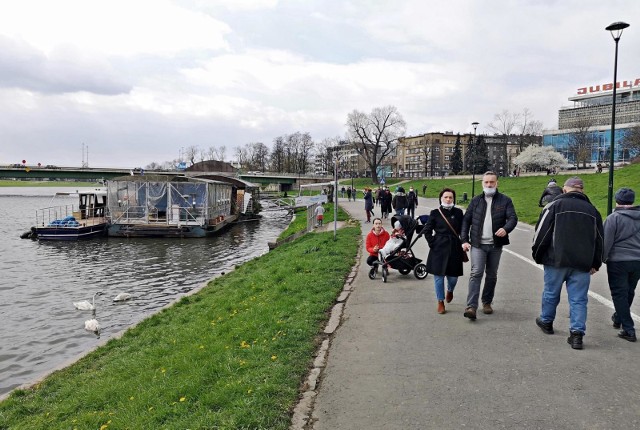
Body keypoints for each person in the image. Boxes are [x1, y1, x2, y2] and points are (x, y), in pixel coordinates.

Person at [532, 177, 604, 350]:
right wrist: (596, 263)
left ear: (565, 190)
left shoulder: (554, 206)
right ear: (582, 191)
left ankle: (547, 321)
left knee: (551, 292)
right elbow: (600, 240)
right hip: (582, 262)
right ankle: (577, 334)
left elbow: (542, 233)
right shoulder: (593, 211)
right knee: (579, 299)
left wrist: (537, 255)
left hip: (556, 259)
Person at [460, 171, 518, 320]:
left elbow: (512, 218)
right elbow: (466, 221)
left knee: (491, 275)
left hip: (495, 245)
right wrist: (464, 240)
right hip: (478, 244)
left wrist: (506, 229)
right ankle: (471, 306)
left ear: (497, 183)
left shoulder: (505, 201)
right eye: (486, 182)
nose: (489, 185)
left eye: (492, 182)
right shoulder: (475, 201)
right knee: (476, 273)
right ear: (482, 183)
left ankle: (487, 302)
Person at [603, 187, 640, 342]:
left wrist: (601, 259)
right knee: (629, 291)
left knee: (619, 293)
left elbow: (607, 241)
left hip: (618, 261)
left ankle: (628, 329)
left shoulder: (614, 218)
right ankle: (619, 317)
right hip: (638, 260)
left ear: (617, 200)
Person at [423, 188, 465, 314]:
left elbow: (463, 229)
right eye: (445, 197)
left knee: (453, 278)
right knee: (439, 277)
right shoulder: (435, 213)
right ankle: (440, 301)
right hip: (439, 247)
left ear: (453, 199)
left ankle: (450, 290)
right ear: (441, 198)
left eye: (450, 197)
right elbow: (427, 229)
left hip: (454, 247)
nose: (448, 199)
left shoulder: (458, 212)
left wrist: (464, 242)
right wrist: (432, 243)